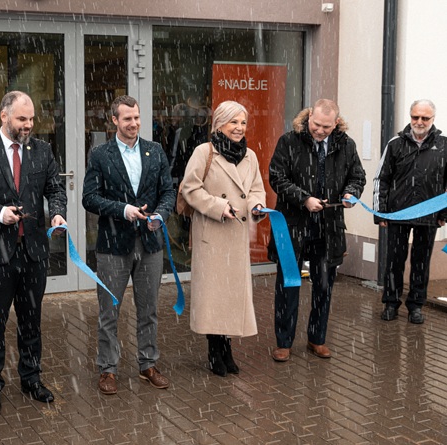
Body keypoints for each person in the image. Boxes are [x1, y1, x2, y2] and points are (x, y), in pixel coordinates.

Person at [0, 91, 67, 413]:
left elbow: (55, 189)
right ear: (4, 116)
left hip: (33, 253)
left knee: (31, 321)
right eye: (22, 119)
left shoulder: (42, 150)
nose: (28, 125)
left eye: (31, 119)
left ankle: (31, 378)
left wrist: (57, 213)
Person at [82, 95, 176, 395]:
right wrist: (123, 210)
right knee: (109, 311)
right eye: (127, 119)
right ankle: (108, 369)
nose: (133, 123)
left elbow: (168, 192)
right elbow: (89, 198)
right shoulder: (100, 154)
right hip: (113, 245)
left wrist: (160, 215)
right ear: (114, 120)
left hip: (150, 243)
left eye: (136, 117)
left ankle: (148, 364)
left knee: (149, 309)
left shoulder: (155, 151)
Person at [268, 99, 366, 362]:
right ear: (309, 116)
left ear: (336, 123)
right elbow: (276, 177)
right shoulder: (289, 141)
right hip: (293, 225)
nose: (320, 130)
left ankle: (317, 339)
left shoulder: (346, 145)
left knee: (324, 286)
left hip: (329, 228)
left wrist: (351, 193)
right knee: (288, 284)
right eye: (317, 124)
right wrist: (304, 199)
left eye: (326, 126)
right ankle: (284, 342)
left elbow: (358, 176)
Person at [180, 101, 267, 376]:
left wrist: (256, 206)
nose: (240, 128)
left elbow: (256, 189)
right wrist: (219, 206)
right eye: (234, 122)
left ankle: (227, 349)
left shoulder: (250, 155)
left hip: (237, 236)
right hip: (212, 235)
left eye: (243, 122)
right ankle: (214, 351)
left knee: (231, 296)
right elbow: (190, 189)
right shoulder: (204, 152)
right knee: (213, 297)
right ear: (219, 124)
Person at [373, 99, 447, 324]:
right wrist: (380, 211)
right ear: (410, 116)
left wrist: (444, 214)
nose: (419, 121)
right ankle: (390, 303)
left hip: (429, 215)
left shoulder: (444, 145)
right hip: (398, 214)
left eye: (425, 118)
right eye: (415, 117)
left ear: (433, 119)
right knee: (394, 261)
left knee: (421, 263)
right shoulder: (395, 144)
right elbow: (381, 179)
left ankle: (416, 306)